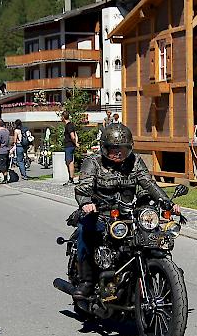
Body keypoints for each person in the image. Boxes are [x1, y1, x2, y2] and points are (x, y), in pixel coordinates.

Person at [71, 123, 180, 299]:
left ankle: (158, 275)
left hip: (127, 213)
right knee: (87, 230)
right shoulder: (93, 162)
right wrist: (86, 203)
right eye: (114, 149)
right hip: (100, 213)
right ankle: (87, 282)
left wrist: (166, 202)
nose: (118, 153)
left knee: (151, 234)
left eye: (122, 148)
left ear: (129, 148)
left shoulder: (135, 162)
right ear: (104, 148)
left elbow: (148, 183)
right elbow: (83, 188)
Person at [62, 112, 78, 186]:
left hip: (69, 146)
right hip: (71, 145)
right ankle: (71, 178)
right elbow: (75, 134)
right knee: (69, 162)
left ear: (63, 117)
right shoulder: (71, 124)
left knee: (69, 162)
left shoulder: (68, 126)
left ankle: (71, 179)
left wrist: (75, 143)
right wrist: (76, 143)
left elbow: (73, 136)